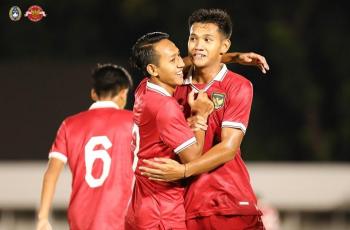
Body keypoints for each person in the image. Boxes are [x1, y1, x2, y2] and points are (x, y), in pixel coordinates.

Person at [139, 9, 265, 229]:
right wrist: (233, 57)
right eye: (193, 38)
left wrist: (185, 170)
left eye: (208, 40)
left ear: (224, 46)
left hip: (229, 202)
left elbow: (228, 147)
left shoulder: (238, 86)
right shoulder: (170, 85)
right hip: (186, 207)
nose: (198, 45)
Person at [125, 32, 214, 230]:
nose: (181, 64)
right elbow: (193, 158)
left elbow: (183, 62)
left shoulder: (143, 88)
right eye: (173, 60)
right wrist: (200, 116)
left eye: (178, 55)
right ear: (153, 69)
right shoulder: (166, 107)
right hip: (162, 213)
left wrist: (230, 57)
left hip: (140, 205)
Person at [36, 64, 134, 230]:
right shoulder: (133, 121)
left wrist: (43, 217)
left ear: (93, 93)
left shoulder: (69, 125)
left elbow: (51, 174)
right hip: (118, 217)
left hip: (80, 218)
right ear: (124, 92)